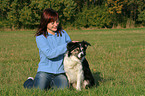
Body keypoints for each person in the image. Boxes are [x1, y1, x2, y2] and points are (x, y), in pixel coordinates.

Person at [23, 8, 72, 90]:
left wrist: (75, 45)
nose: (56, 24)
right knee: (38, 90)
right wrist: (67, 46)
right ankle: (29, 81)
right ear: (45, 23)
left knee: (63, 90)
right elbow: (49, 54)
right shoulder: (40, 37)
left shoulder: (63, 33)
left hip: (60, 72)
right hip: (45, 71)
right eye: (52, 23)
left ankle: (49, 85)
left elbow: (70, 48)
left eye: (57, 22)